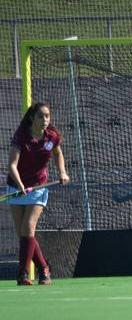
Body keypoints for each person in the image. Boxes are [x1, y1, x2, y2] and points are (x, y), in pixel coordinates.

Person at [7, 101, 70, 285]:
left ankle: (23, 274)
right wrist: (20, 186)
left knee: (28, 227)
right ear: (32, 118)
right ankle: (44, 269)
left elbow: (58, 154)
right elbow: (12, 165)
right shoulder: (21, 136)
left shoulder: (51, 137)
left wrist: (63, 172)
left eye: (47, 116)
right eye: (41, 116)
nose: (45, 120)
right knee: (23, 234)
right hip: (16, 187)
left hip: (38, 187)